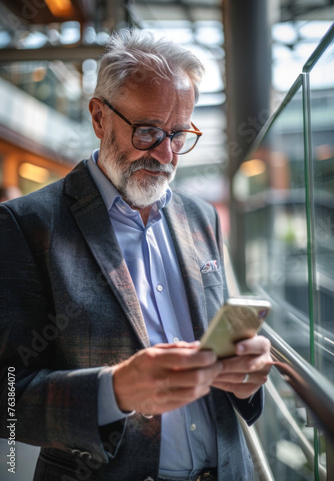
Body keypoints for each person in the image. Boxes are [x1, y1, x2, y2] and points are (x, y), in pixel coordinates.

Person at [0, 29, 272, 481]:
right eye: (147, 131)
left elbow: (221, 347)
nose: (166, 153)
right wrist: (116, 390)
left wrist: (247, 372)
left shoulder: (202, 217)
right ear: (98, 117)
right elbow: (8, 401)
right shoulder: (24, 225)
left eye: (179, 133)